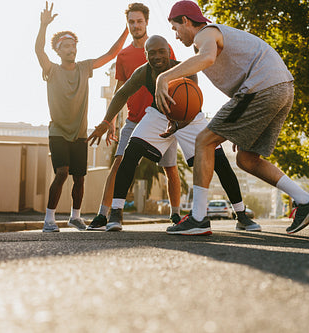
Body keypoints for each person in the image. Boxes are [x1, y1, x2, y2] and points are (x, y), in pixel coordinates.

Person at [155, 1, 309, 235]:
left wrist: (163, 78)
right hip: (282, 89)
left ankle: (198, 218)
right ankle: (305, 200)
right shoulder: (215, 36)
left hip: (261, 87)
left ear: (185, 20)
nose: (175, 36)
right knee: (246, 159)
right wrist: (240, 126)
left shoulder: (205, 34)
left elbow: (206, 58)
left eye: (175, 28)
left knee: (203, 141)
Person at [87, 35, 261, 233]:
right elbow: (121, 94)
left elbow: (193, 103)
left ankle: (241, 215)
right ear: (146, 55)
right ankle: (116, 212)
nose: (157, 56)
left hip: (189, 116)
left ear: (169, 52)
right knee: (131, 151)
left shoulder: (185, 68)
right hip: (159, 113)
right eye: (152, 53)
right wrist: (105, 121)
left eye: (161, 51)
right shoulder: (143, 73)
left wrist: (178, 124)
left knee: (219, 159)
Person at [35, 2, 129, 232]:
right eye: (66, 46)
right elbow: (39, 50)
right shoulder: (52, 70)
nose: (71, 49)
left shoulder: (84, 68)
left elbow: (111, 54)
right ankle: (49, 218)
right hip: (58, 131)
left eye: (73, 45)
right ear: (58, 50)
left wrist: (127, 28)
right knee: (62, 172)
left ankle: (75, 217)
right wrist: (43, 25)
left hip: (79, 133)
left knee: (79, 177)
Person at [88, 3, 182, 231]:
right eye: (131, 22)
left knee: (170, 168)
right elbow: (120, 90)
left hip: (162, 119)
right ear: (127, 24)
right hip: (133, 119)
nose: (135, 25)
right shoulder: (124, 55)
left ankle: (176, 215)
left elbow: (176, 79)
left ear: (146, 22)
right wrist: (109, 121)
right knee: (119, 163)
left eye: (139, 21)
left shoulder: (162, 47)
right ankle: (104, 214)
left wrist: (177, 117)